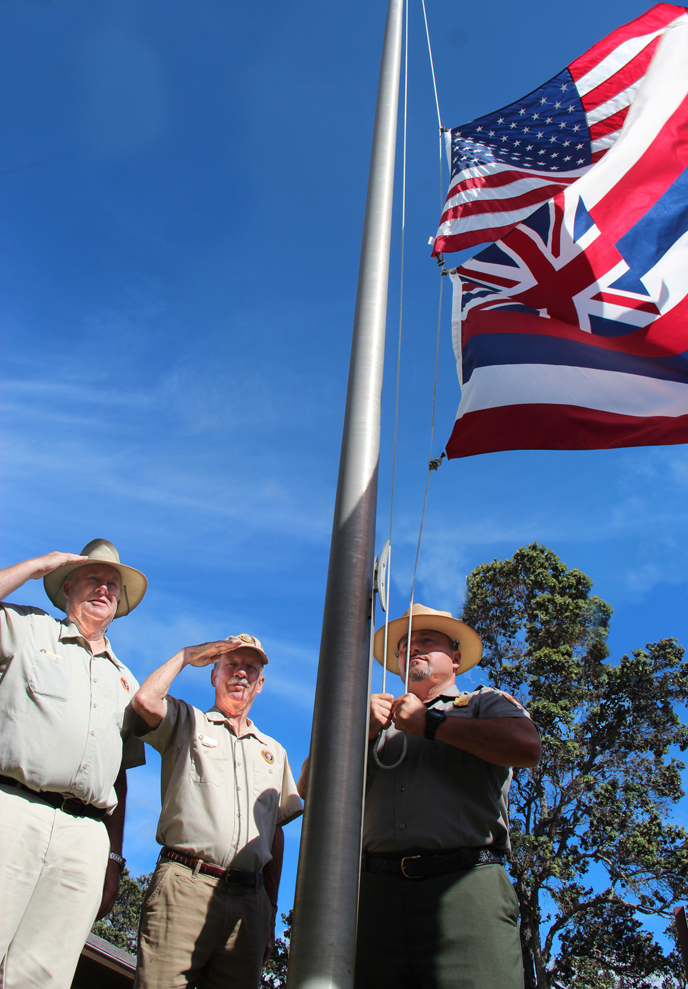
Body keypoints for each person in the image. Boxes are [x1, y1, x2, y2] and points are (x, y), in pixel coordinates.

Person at [355, 603, 542, 989]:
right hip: (376, 897)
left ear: (455, 658)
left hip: (467, 889)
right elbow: (308, 788)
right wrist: (356, 732)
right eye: (406, 646)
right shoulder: (370, 723)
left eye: (428, 641)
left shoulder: (481, 703)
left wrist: (432, 724)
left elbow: (527, 747)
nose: (415, 649)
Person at [0, 539, 148, 989]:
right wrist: (40, 564)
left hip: (86, 836)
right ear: (66, 588)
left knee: (45, 973)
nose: (104, 589)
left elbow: (120, 778)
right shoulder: (28, 629)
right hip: (14, 808)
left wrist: (113, 860)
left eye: (112, 585)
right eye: (92, 579)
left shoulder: (127, 681)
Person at [132, 632, 303, 989]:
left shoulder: (274, 752)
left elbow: (275, 834)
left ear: (260, 684)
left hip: (249, 901)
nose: (240, 674)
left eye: (250, 669)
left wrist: (269, 911)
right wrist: (184, 656)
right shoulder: (187, 721)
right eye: (231, 665)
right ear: (214, 674)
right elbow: (145, 701)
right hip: (185, 886)